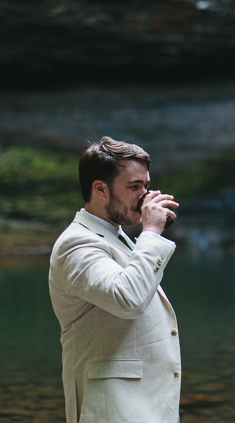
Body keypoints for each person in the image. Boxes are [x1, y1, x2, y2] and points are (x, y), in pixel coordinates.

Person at [49, 137, 181, 423]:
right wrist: (150, 234)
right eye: (134, 187)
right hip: (114, 407)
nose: (145, 196)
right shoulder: (76, 244)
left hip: (142, 402)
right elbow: (127, 299)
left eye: (145, 186)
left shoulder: (115, 234)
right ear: (100, 189)